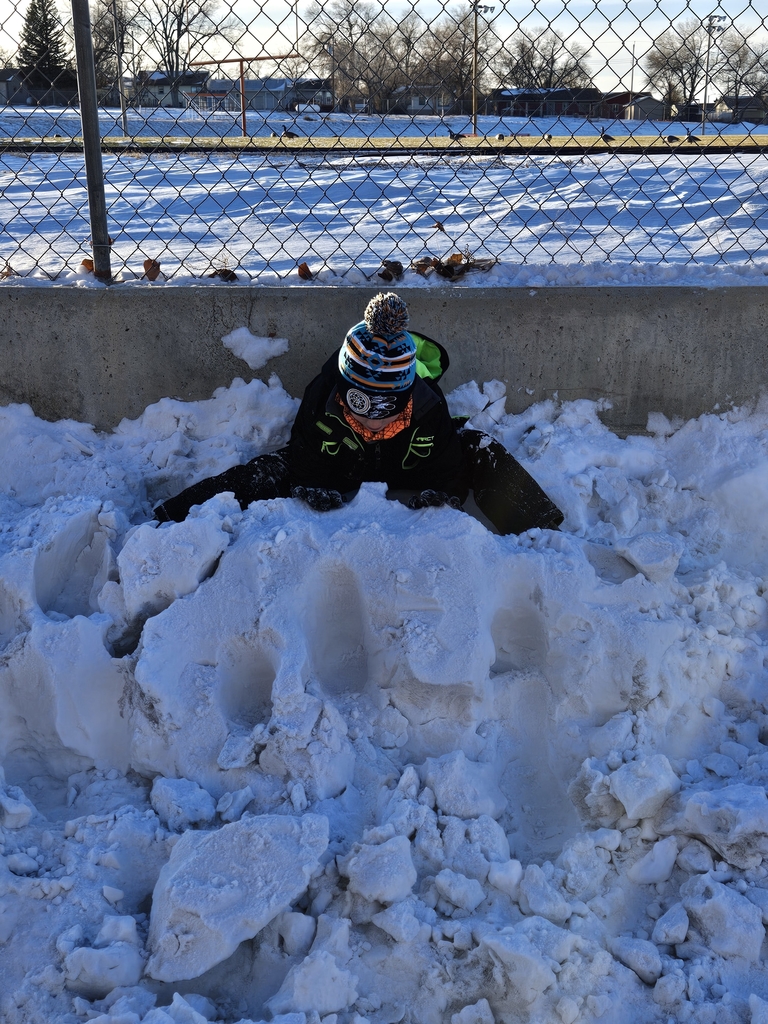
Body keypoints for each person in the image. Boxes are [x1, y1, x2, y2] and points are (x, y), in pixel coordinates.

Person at [153, 292, 563, 535]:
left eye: (386, 407)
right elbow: (306, 452)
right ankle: (172, 520)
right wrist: (313, 483)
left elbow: (447, 466)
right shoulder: (322, 400)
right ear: (343, 395)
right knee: (271, 468)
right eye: (360, 404)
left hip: (408, 469)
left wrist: (444, 493)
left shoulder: (428, 409)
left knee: (477, 447)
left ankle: (543, 535)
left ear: (406, 399)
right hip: (342, 468)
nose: (372, 420)